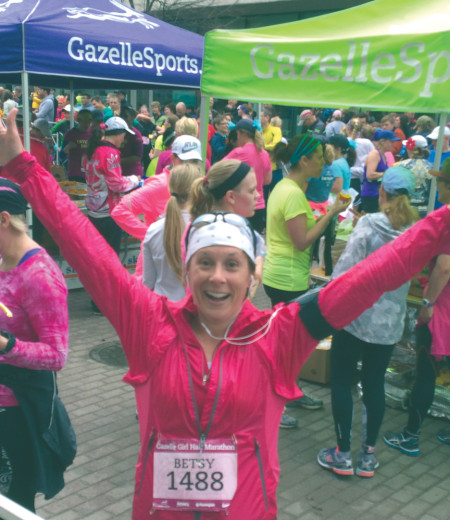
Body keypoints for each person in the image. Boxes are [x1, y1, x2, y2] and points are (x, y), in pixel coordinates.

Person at [2, 108, 450, 520]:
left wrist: (440, 224)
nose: (218, 277)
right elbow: (88, 250)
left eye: (231, 264)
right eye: (206, 263)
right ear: (187, 267)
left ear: (252, 276)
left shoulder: (281, 333)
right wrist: (23, 167)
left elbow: (370, 277)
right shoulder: (150, 323)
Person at [317, 166, 418, 478]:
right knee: (374, 383)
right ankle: (368, 457)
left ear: (383, 193)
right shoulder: (415, 233)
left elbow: (343, 272)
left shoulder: (370, 225)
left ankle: (343, 453)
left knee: (342, 380)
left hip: (354, 318)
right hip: (388, 325)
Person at [264, 135, 350, 426]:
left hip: (286, 275)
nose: (323, 161)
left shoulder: (288, 187)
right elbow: (301, 242)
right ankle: (276, 403)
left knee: (290, 344)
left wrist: (319, 213)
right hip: (286, 278)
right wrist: (331, 215)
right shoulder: (291, 193)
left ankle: (290, 392)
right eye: (317, 155)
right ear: (304, 160)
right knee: (285, 345)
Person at [0, 177, 71, 513]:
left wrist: (5, 345)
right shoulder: (3, 259)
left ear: (3, 219)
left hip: (17, 410)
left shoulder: (40, 274)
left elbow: (56, 355)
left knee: (15, 500)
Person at [384, 158, 450, 454]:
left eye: (442, 183)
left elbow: (445, 268)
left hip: (442, 310)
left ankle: (410, 436)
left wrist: (429, 302)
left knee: (425, 372)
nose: (439, 187)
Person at [82, 116, 140, 257]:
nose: (124, 140)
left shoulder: (93, 149)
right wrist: (134, 180)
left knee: (97, 255)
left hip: (93, 210)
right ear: (119, 134)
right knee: (111, 257)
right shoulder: (110, 153)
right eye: (124, 136)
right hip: (108, 212)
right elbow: (116, 184)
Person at [143, 164, 202, 300]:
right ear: (197, 190)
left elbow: (148, 282)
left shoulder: (153, 230)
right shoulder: (206, 229)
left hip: (163, 308)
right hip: (195, 309)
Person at [224, 118, 272, 233]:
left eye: (238, 134)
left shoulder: (239, 152)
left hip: (240, 205)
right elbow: (267, 180)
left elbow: (217, 173)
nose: (237, 138)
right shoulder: (264, 153)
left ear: (243, 134)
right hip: (259, 206)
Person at [360, 130, 400, 213]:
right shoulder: (375, 154)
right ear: (382, 141)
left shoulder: (383, 155)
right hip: (370, 194)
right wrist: (388, 173)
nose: (393, 144)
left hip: (378, 194)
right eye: (391, 142)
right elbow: (370, 175)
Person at [398, 135, 432, 217]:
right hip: (426, 210)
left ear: (411, 148)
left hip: (406, 210)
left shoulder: (401, 165)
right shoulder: (431, 167)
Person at [63, 108, 92, 182]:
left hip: (89, 171)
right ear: (79, 120)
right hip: (74, 171)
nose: (86, 124)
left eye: (88, 122)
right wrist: (68, 147)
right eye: (84, 122)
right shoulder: (71, 134)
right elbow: (62, 153)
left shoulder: (92, 134)